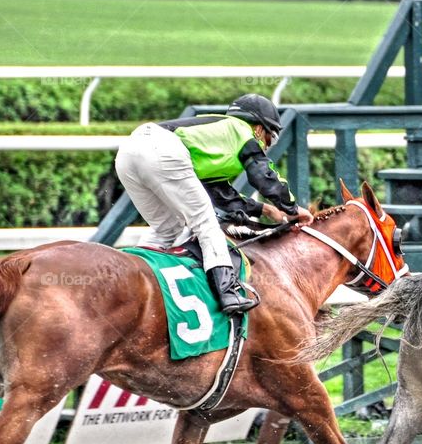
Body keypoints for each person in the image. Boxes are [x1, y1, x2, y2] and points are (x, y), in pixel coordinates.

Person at [115, 93, 314, 314]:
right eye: (270, 138)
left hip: (128, 152)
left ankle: (130, 278)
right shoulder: (243, 132)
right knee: (206, 222)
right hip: (162, 150)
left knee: (167, 228)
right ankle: (228, 294)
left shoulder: (216, 139)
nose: (267, 147)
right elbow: (263, 174)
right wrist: (293, 208)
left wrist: (267, 209)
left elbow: (221, 194)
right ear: (259, 128)